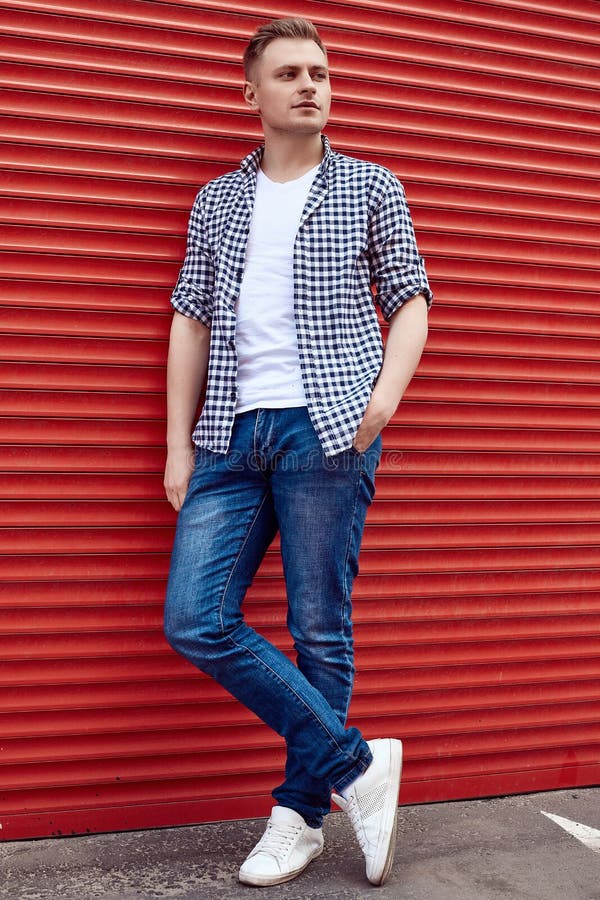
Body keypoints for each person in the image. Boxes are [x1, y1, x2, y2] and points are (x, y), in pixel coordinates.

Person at [163, 17, 432, 888]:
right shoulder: (219, 199)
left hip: (329, 427)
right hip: (231, 436)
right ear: (253, 95)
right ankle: (357, 763)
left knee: (321, 629)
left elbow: (412, 298)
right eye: (289, 73)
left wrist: (381, 401)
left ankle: (300, 815)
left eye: (320, 71)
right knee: (195, 620)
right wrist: (179, 444)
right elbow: (190, 318)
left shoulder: (369, 187)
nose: (310, 84)